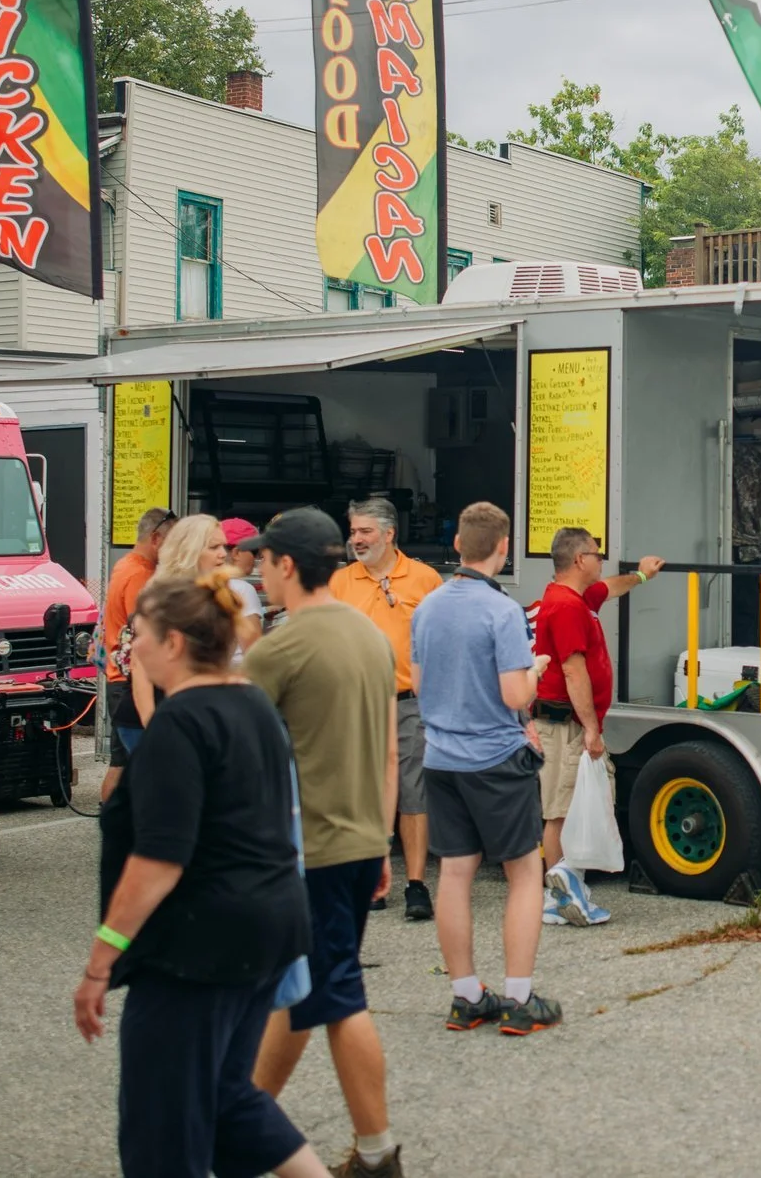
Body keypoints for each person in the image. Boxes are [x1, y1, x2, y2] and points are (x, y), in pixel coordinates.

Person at [73, 571, 328, 1178]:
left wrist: (101, 958)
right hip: (268, 929)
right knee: (226, 1101)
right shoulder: (253, 705)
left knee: (162, 1131)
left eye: (139, 634)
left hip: (196, 948)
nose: (130, 647)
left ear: (176, 644)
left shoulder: (179, 725)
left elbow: (161, 858)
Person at [241, 508, 404, 1178]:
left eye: (262, 560)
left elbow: (238, 756)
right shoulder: (370, 635)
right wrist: (384, 844)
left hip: (312, 845)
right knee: (305, 991)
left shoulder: (277, 649)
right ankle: (242, 1117)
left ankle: (377, 1151)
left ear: (286, 564)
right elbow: (392, 749)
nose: (256, 571)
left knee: (336, 990)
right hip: (362, 835)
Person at [409, 502, 558, 1036]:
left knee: (453, 872)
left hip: (441, 758)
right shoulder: (503, 612)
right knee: (523, 873)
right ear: (503, 547)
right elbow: (515, 693)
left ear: (456, 546)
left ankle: (467, 995)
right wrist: (537, 671)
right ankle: (519, 998)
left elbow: (421, 685)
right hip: (495, 758)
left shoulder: (426, 607)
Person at [529, 528, 662, 927]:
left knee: (574, 805)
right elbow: (573, 671)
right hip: (565, 725)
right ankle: (561, 897)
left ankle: (564, 891)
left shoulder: (579, 598)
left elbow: (609, 588)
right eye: (596, 553)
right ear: (578, 560)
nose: (601, 559)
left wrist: (642, 576)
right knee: (562, 812)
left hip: (572, 724)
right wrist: (591, 729)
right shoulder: (566, 608)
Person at [332, 496, 443, 921]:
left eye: (365, 532)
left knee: (412, 793)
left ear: (389, 533)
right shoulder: (341, 581)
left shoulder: (424, 579)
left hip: (409, 703)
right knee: (364, 795)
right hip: (356, 704)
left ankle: (416, 884)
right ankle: (374, 883)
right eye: (354, 532)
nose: (356, 539)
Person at [102, 507, 178, 800]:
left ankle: (114, 827)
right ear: (156, 538)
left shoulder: (125, 565)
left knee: (122, 764)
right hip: (128, 681)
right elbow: (144, 633)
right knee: (124, 766)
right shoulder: (141, 575)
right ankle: (114, 827)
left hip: (121, 678)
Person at [153, 515, 262, 661]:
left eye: (223, 546)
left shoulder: (157, 593)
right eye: (214, 547)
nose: (223, 554)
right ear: (191, 550)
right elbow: (254, 655)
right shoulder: (239, 590)